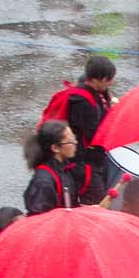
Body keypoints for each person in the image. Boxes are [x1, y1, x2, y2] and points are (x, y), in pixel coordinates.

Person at [55, 55, 117, 187]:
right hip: (83, 163)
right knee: (96, 201)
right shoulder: (82, 102)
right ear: (95, 79)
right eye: (108, 79)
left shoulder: (97, 91)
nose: (111, 82)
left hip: (94, 159)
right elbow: (94, 135)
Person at [22, 119, 102, 214]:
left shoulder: (65, 169)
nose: (75, 143)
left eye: (74, 138)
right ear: (55, 148)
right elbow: (38, 218)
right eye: (70, 141)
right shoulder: (43, 181)